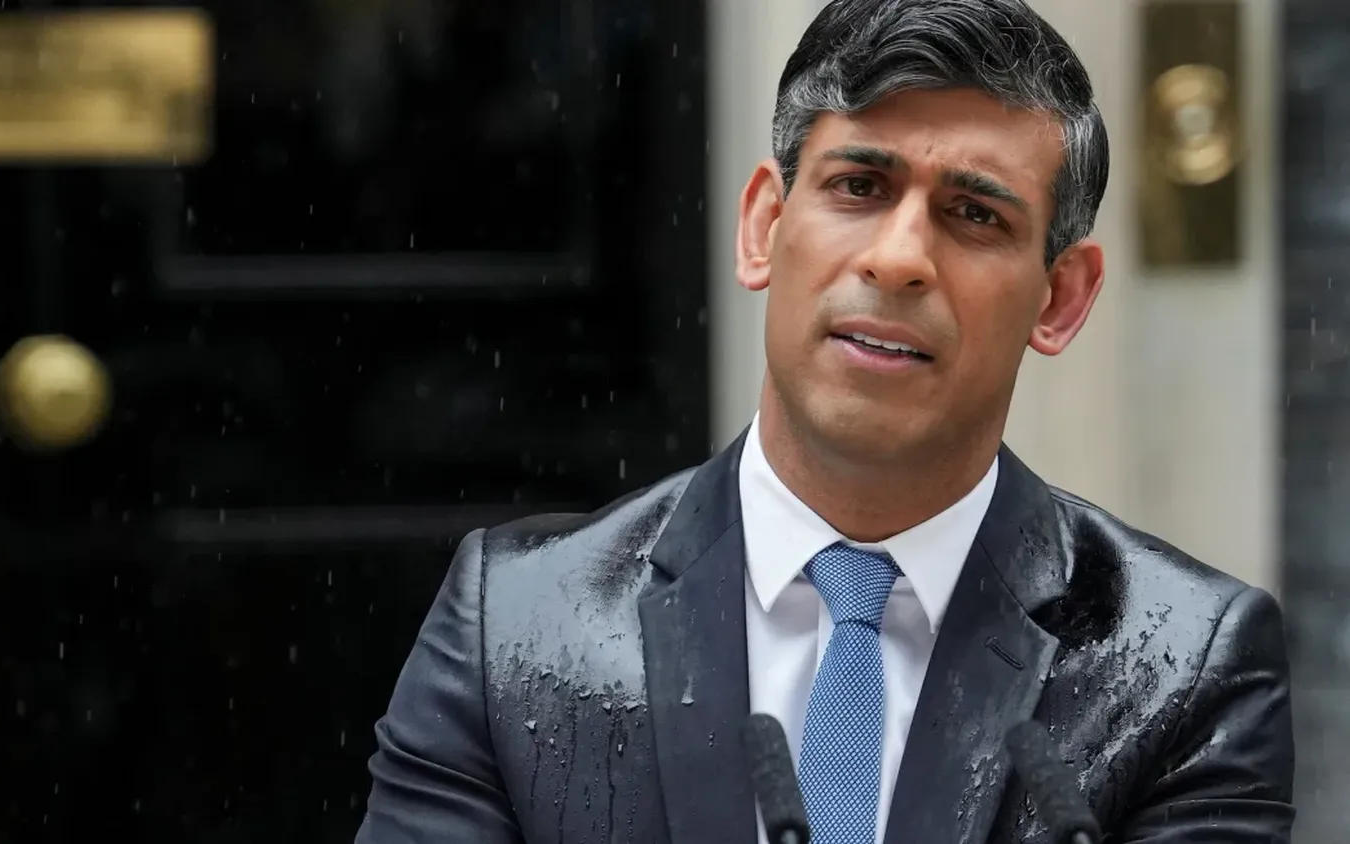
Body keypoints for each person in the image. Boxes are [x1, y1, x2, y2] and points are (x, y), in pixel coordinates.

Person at [354, 0, 1295, 841]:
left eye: (973, 214)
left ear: (1060, 298)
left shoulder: (1186, 666)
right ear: (765, 225)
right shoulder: (515, 626)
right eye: (859, 187)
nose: (898, 259)